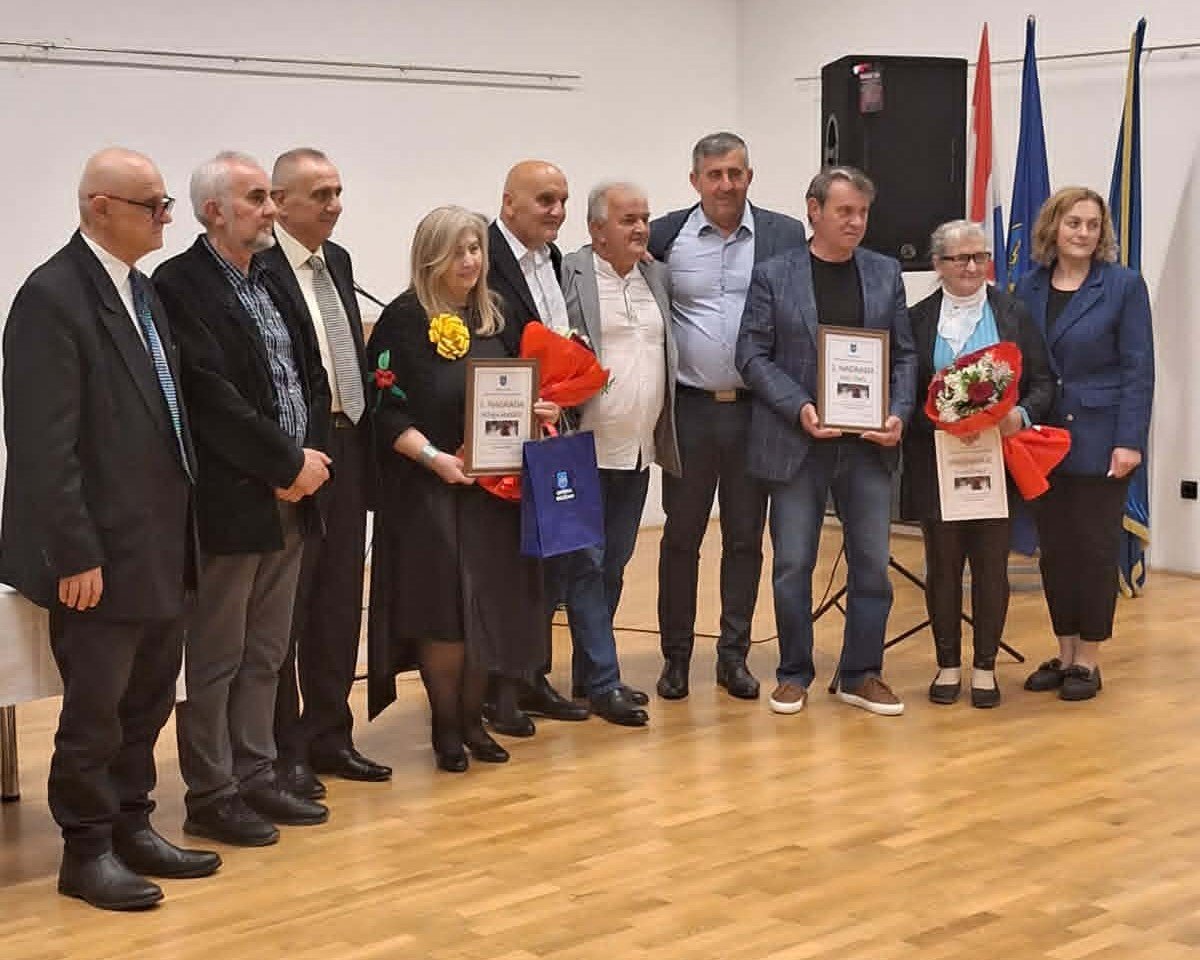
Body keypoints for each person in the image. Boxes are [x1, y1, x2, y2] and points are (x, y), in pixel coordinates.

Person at [0, 148, 219, 910]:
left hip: (158, 541)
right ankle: (85, 849)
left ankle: (132, 823)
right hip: (98, 552)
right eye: (152, 205)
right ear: (99, 207)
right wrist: (74, 552)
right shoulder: (51, 298)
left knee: (147, 701)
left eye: (165, 204)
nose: (166, 218)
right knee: (94, 713)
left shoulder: (142, 291)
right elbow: (42, 446)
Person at [154, 151, 332, 846]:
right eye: (257, 198)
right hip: (233, 499)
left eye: (269, 197)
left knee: (267, 651)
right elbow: (209, 399)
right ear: (214, 211)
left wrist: (309, 463)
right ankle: (211, 791)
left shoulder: (272, 275)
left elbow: (311, 373)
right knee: (217, 655)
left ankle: (257, 773)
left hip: (295, 491)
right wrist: (283, 464)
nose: (271, 209)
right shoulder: (180, 285)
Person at [366, 205, 558, 770]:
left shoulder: (495, 315)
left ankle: (474, 721)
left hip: (496, 493)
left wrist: (541, 410)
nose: (470, 261)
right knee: (445, 614)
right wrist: (434, 459)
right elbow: (384, 411)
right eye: (456, 251)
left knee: (487, 609)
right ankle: (446, 727)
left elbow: (519, 393)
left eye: (475, 249)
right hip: (432, 490)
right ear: (430, 257)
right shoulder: (404, 319)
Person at [736, 165, 916, 717]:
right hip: (797, 443)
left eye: (862, 213)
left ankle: (862, 673)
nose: (855, 222)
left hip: (868, 447)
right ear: (814, 210)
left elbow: (904, 355)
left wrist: (898, 412)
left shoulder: (885, 272)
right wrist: (800, 408)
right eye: (844, 211)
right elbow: (751, 355)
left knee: (872, 565)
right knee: (793, 564)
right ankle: (794, 672)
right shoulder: (774, 274)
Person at [649, 132, 808, 702]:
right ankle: (675, 657)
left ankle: (732, 655)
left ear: (749, 176)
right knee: (681, 538)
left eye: (735, 173)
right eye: (714, 174)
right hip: (690, 411)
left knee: (744, 538)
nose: (725, 184)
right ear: (695, 180)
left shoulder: (784, 235)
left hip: (755, 413)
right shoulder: (663, 235)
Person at [261, 148, 391, 800]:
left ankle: (332, 733)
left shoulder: (336, 260)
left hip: (349, 443)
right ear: (278, 201)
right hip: (297, 452)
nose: (335, 205)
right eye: (320, 195)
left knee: (340, 599)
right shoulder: (259, 267)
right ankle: (284, 750)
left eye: (338, 192)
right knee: (290, 607)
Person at [900, 220, 1054, 707]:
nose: (972, 267)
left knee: (990, 566)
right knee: (944, 567)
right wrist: (940, 421)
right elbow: (903, 391)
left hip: (998, 462)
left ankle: (985, 666)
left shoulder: (1013, 313)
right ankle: (947, 664)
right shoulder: (916, 319)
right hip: (936, 461)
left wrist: (1019, 415)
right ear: (938, 264)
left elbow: (1044, 383)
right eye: (960, 258)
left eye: (980, 257)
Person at [1015, 187, 1154, 701]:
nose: (1084, 233)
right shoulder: (1027, 286)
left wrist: (1129, 441)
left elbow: (1138, 369)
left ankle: (1088, 660)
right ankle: (1065, 650)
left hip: (1100, 438)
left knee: (1094, 551)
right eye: (1074, 223)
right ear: (1053, 226)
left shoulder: (1122, 286)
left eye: (1093, 225)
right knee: (1055, 552)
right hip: (1041, 440)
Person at [557, 181, 681, 726]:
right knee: (586, 565)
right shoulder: (569, 273)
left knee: (613, 565)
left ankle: (589, 675)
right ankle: (604, 681)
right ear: (596, 229)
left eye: (645, 218)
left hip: (638, 449)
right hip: (583, 447)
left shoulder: (657, 276)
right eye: (628, 219)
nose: (641, 228)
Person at [484, 160, 590, 733]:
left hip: (551, 428)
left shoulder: (553, 259)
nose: (558, 211)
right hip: (501, 431)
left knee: (549, 561)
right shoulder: (482, 256)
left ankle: (533, 675)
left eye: (563, 200)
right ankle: (496, 687)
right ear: (509, 203)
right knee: (507, 569)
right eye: (545, 199)